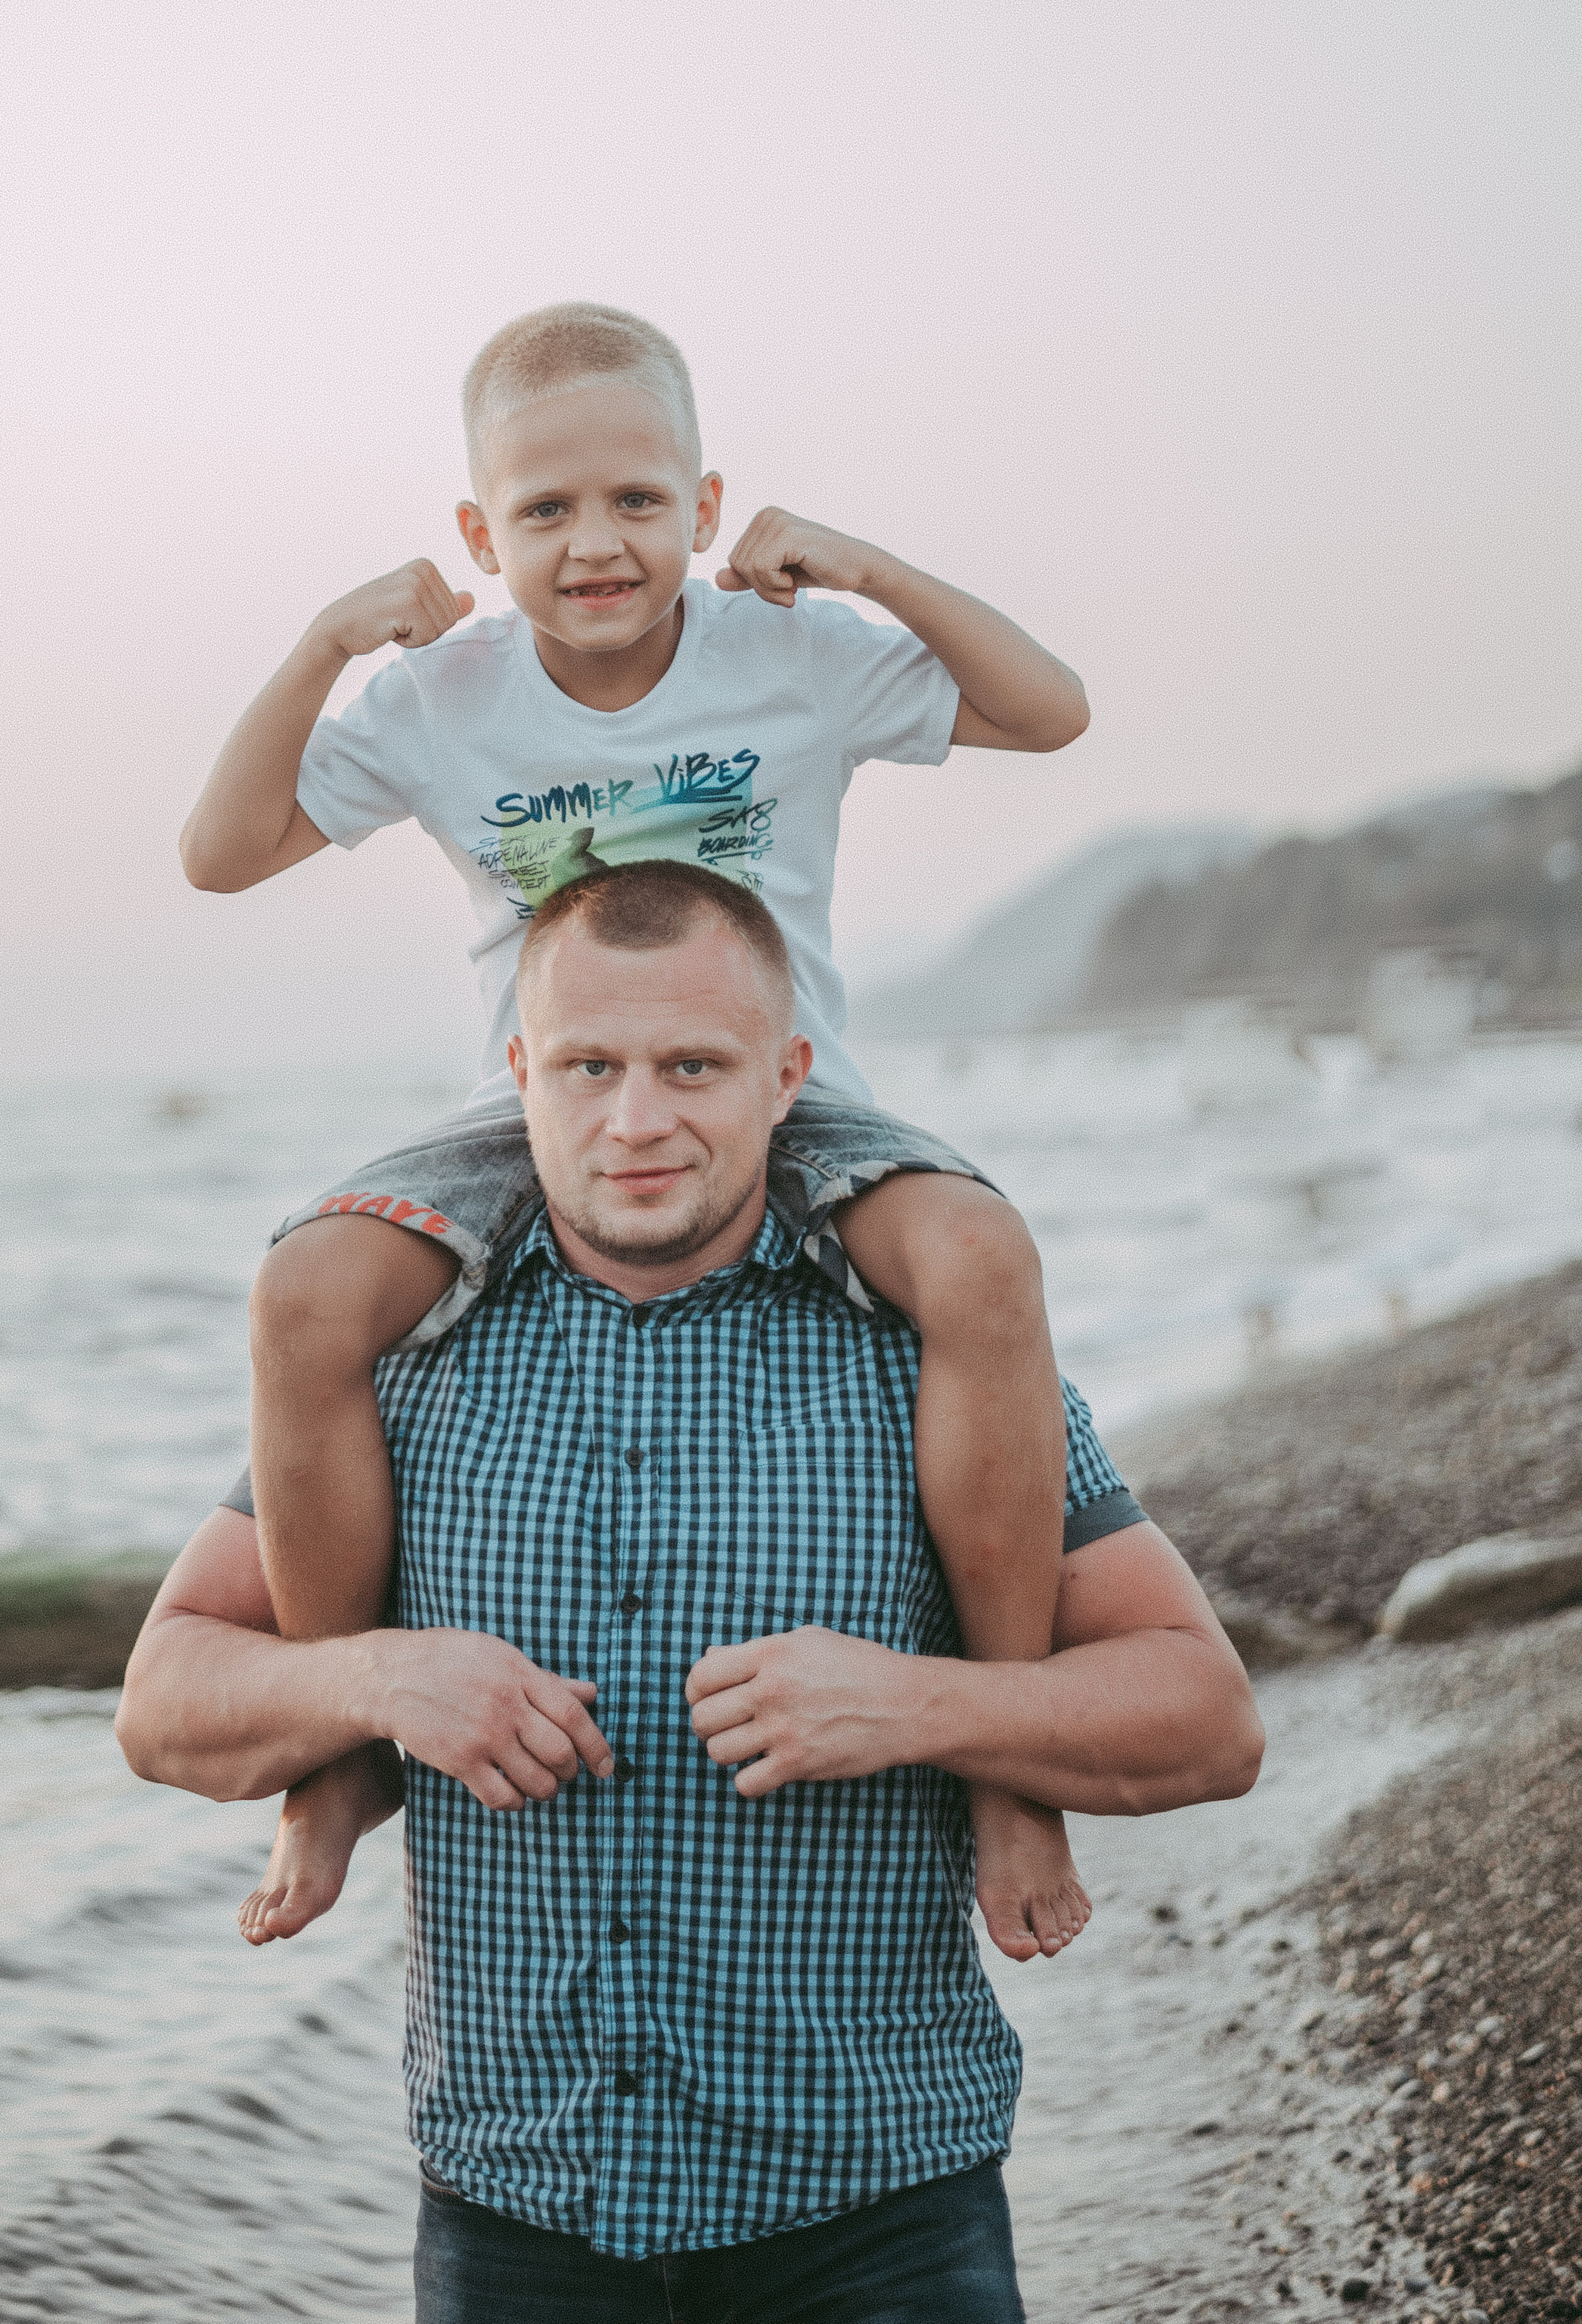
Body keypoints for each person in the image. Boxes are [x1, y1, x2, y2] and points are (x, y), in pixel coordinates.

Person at [118, 862, 1264, 2320]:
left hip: (880, 2222)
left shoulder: (931, 1360)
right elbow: (164, 1702)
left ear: (788, 1077)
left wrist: (921, 1707)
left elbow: (1208, 1721)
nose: (638, 1119)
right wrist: (376, 1678)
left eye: (694, 1067)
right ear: (520, 1072)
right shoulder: (392, 1372)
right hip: (512, 2225)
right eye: (590, 1067)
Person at [178, 302, 1097, 1962]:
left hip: (791, 1100)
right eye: (542, 511)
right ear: (478, 532)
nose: (593, 544)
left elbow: (1049, 714)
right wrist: (328, 640)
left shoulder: (792, 657)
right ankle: (330, 1760)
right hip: (529, 1105)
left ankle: (1005, 1750)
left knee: (974, 1252)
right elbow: (219, 853)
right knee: (306, 1291)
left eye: (634, 502)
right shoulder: (441, 698)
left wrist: (866, 568)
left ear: (701, 500)